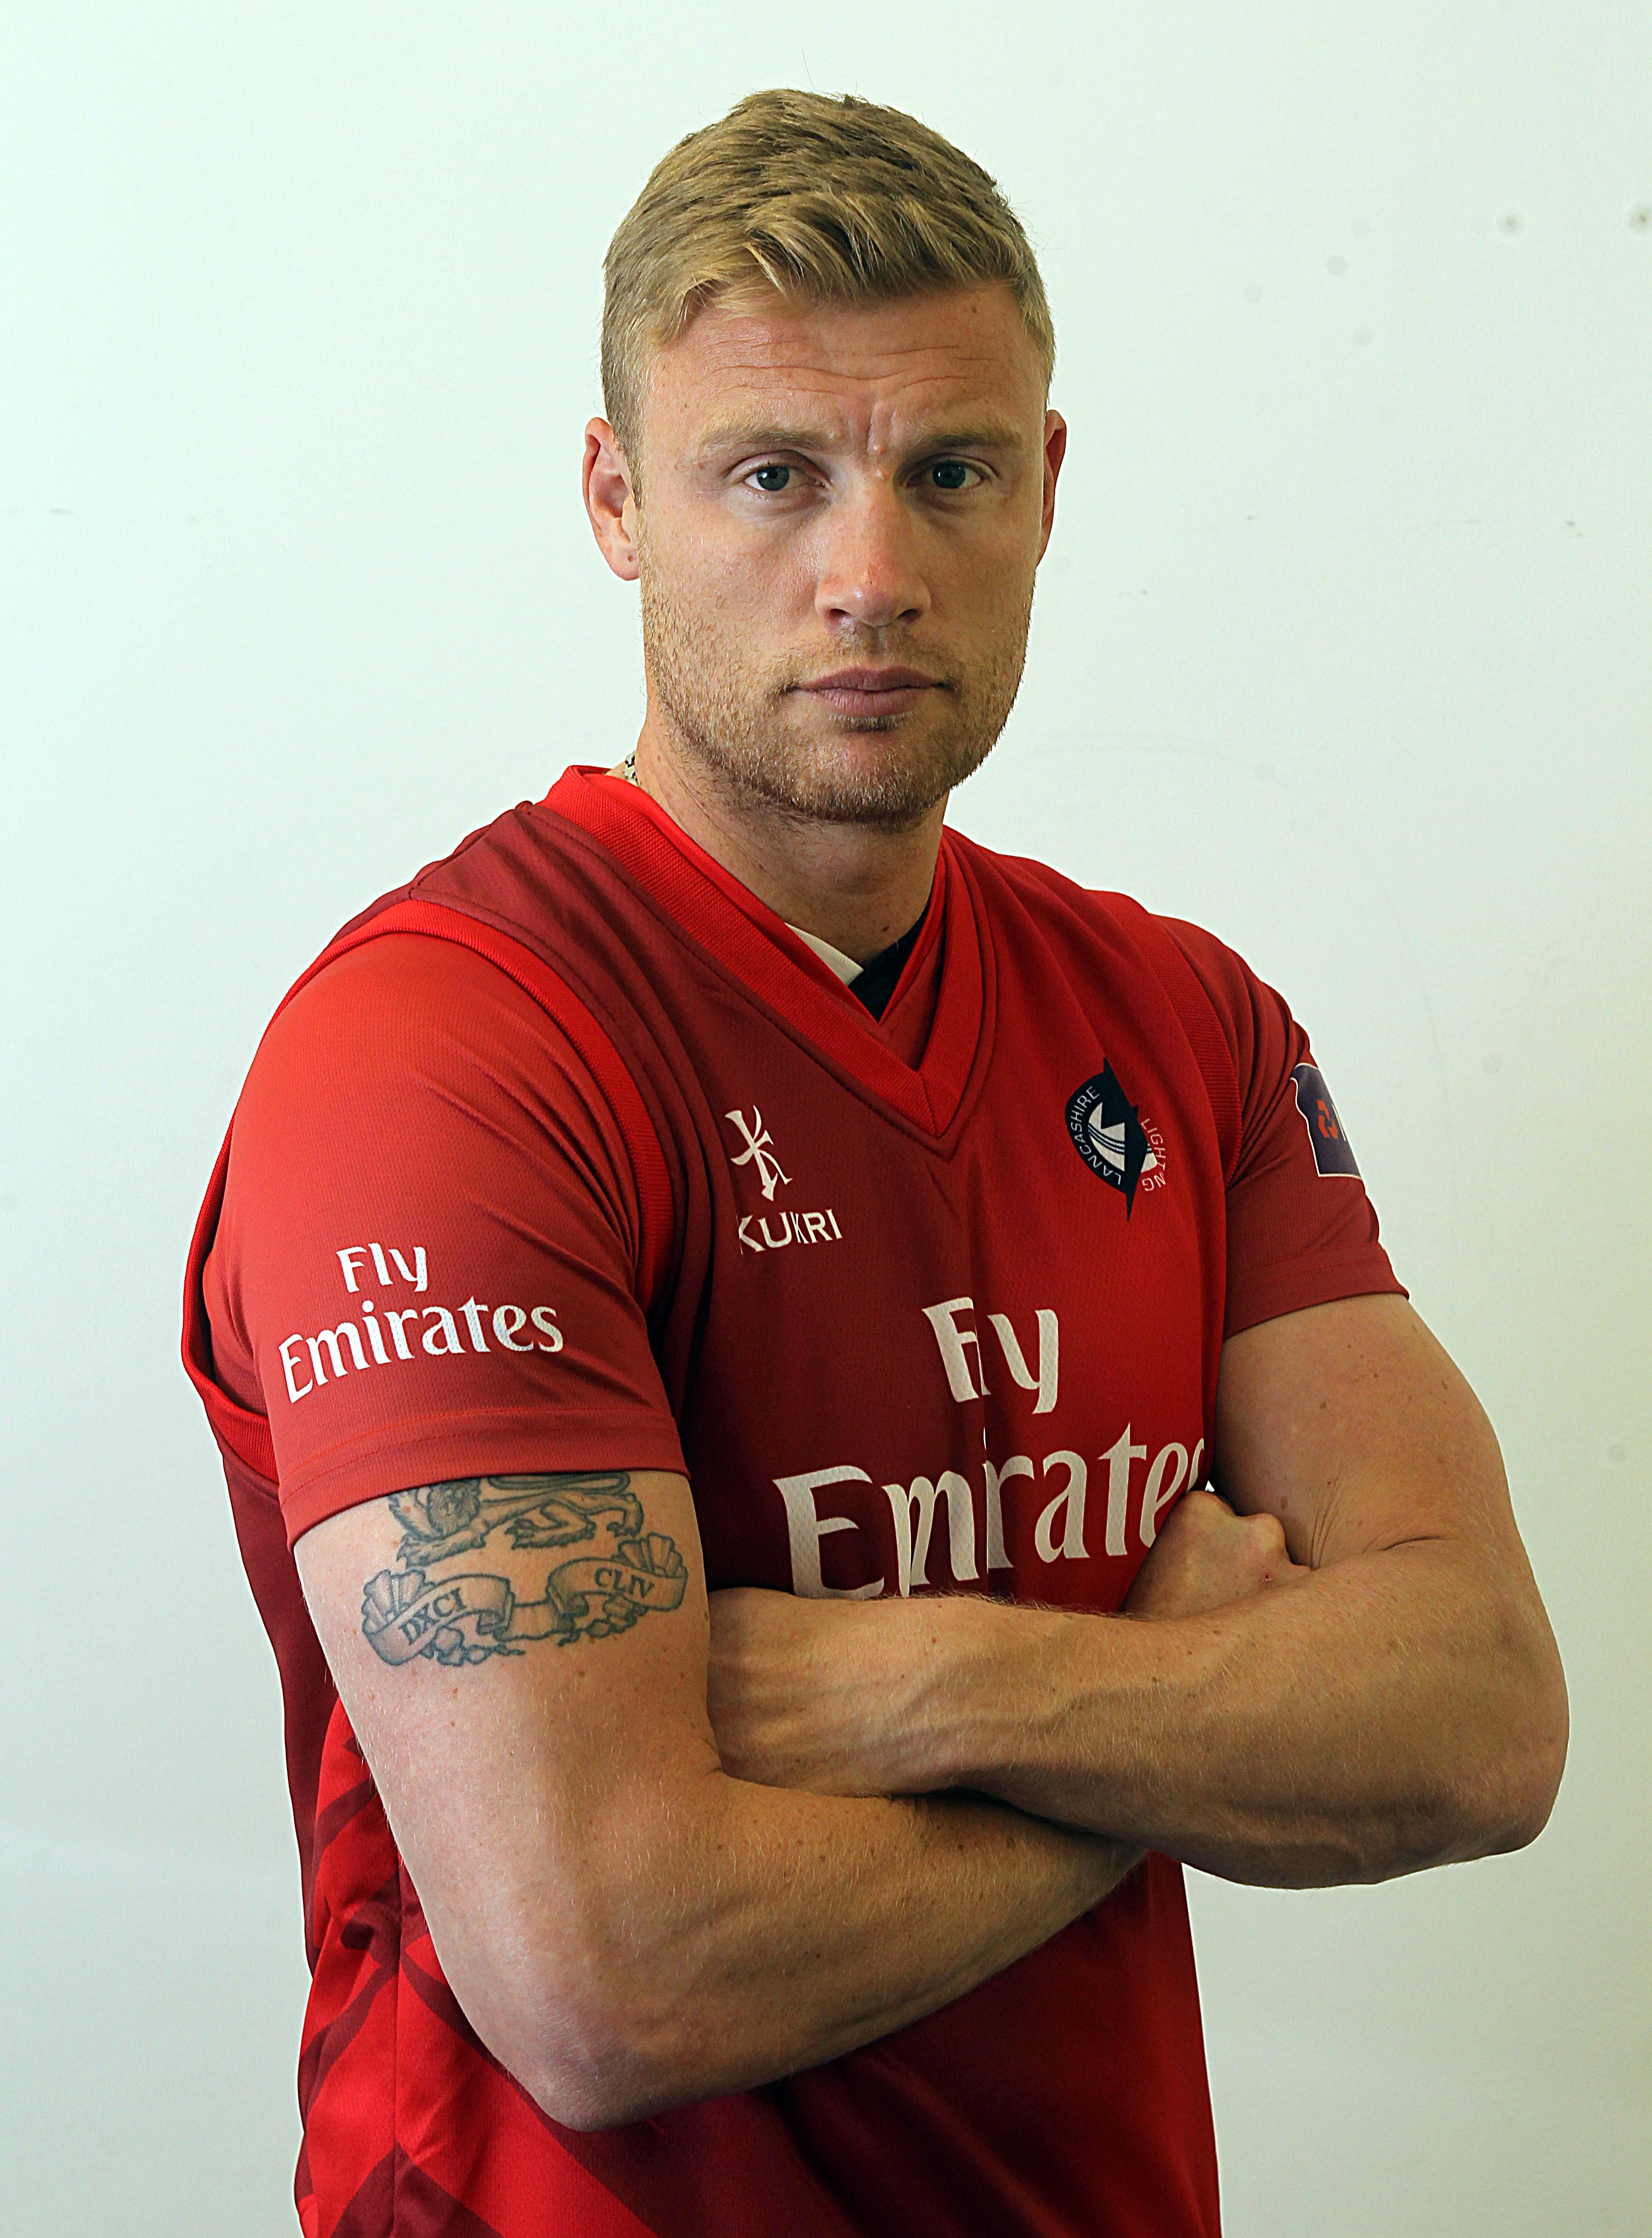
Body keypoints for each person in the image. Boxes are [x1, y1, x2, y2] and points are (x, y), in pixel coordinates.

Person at [183, 88, 1567, 2238]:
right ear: (614, 498)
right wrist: (1182, 1723)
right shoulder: (443, 1055)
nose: (874, 577)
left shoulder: (1181, 1019)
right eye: (773, 476)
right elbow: (608, 1969)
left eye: (952, 473)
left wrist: (931, 1680)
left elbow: (1478, 1719)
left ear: (1049, 486)